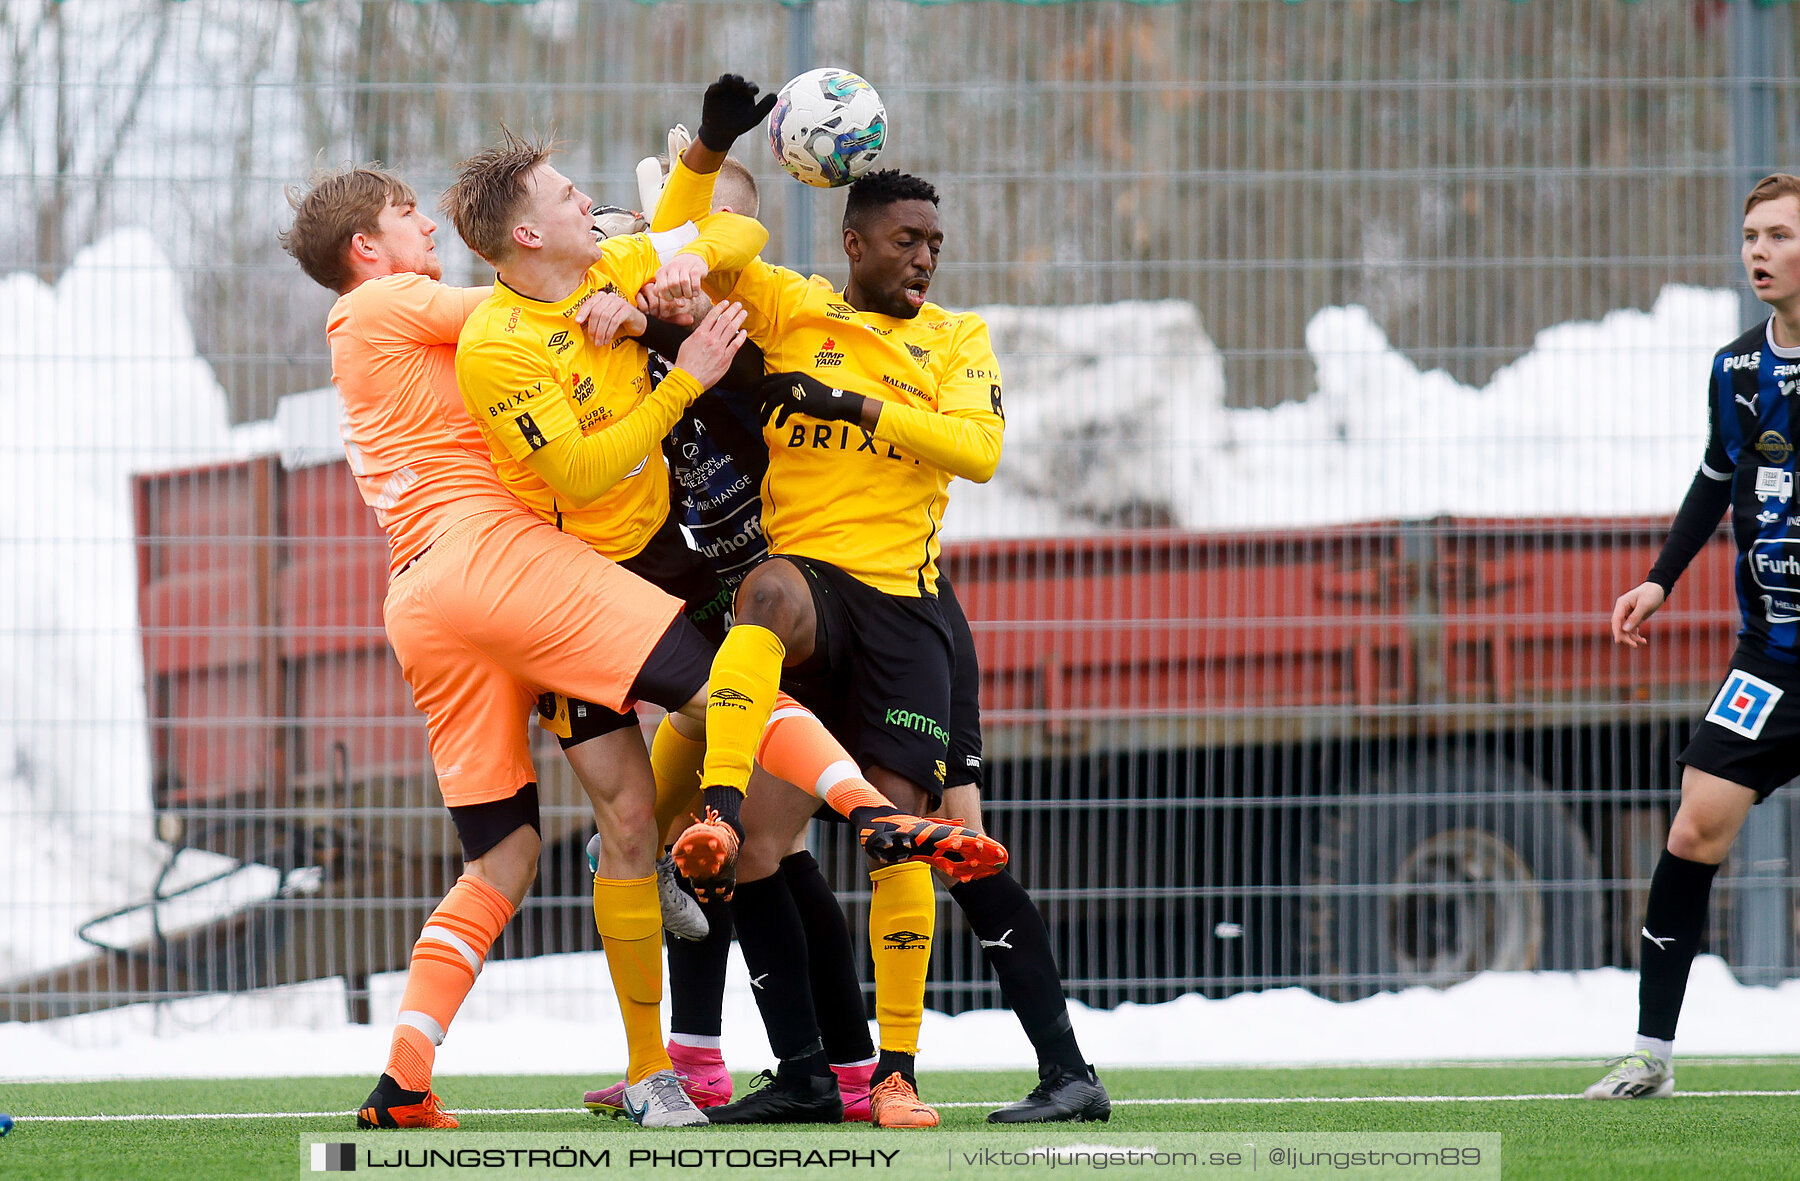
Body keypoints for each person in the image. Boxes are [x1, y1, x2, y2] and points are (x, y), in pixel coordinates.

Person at [442, 103, 1006, 1121]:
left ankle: (886, 1060)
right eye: (593, 208)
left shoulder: (734, 318)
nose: (621, 227)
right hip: (624, 581)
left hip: (812, 595)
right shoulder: (563, 321)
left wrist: (684, 263)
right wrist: (661, 331)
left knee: (767, 826)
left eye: (660, 227)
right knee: (693, 835)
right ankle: (692, 1060)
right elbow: (584, 450)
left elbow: (723, 245)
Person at [281, 162, 749, 1129]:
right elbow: (525, 287)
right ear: (368, 249)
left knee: (508, 852)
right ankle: (871, 813)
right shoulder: (394, 306)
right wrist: (635, 254)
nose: (425, 231)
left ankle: (404, 1077)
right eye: (406, 217)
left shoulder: (402, 339)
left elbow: (564, 287)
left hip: (461, 598)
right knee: (727, 696)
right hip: (509, 577)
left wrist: (637, 254)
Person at [687, 169, 1111, 1125]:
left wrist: (854, 407)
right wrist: (708, 157)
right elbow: (685, 250)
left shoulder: (957, 338)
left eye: (935, 242)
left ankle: (974, 1069)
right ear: (854, 242)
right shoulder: (793, 305)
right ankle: (803, 1071)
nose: (924, 256)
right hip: (815, 603)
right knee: (757, 839)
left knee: (941, 840)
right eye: (907, 238)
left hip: (913, 619)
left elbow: (979, 450)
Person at [1587, 172, 1800, 1100]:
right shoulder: (1736, 369)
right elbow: (1716, 478)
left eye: (1782, 235)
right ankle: (1652, 1053)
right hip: (1773, 658)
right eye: (1752, 234)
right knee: (1695, 823)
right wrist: (1658, 578)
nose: (1760, 250)